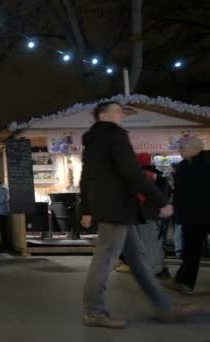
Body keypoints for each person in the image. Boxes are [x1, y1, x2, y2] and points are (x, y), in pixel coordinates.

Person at [79, 101, 194, 328]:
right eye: (117, 110)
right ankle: (93, 312)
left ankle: (165, 307)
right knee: (104, 260)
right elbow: (132, 172)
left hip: (116, 208)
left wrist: (87, 208)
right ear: (103, 115)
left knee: (139, 261)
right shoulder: (114, 135)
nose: (122, 114)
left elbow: (86, 178)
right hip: (117, 207)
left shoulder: (94, 141)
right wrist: (160, 201)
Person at [167, 136, 210, 296]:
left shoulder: (185, 167)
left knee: (192, 251)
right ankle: (182, 282)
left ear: (190, 149)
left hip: (194, 217)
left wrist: (178, 212)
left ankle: (185, 283)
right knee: (192, 251)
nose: (180, 152)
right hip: (198, 215)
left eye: (181, 149)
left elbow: (181, 193)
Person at [136, 153, 171, 280]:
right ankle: (162, 267)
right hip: (158, 213)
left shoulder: (141, 175)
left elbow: (139, 196)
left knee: (149, 242)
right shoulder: (159, 175)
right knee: (155, 241)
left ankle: (157, 269)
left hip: (145, 213)